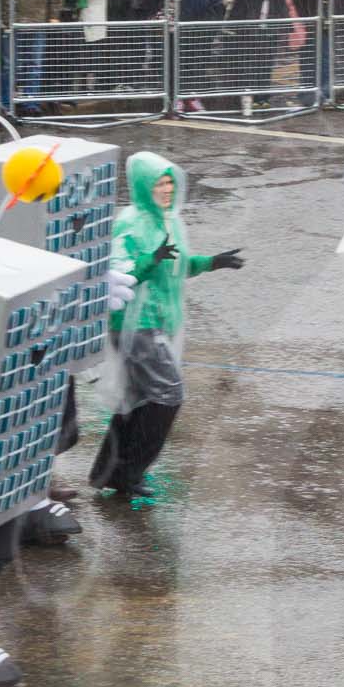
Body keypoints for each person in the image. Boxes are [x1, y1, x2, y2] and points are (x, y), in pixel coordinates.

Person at [90, 152, 244, 502]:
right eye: (159, 183)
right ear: (144, 187)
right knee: (167, 395)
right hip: (133, 324)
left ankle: (113, 472)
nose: (167, 189)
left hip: (155, 321)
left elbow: (176, 267)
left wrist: (211, 263)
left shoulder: (167, 221)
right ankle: (128, 472)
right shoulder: (130, 223)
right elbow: (121, 274)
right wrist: (151, 258)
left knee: (141, 398)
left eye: (170, 182)